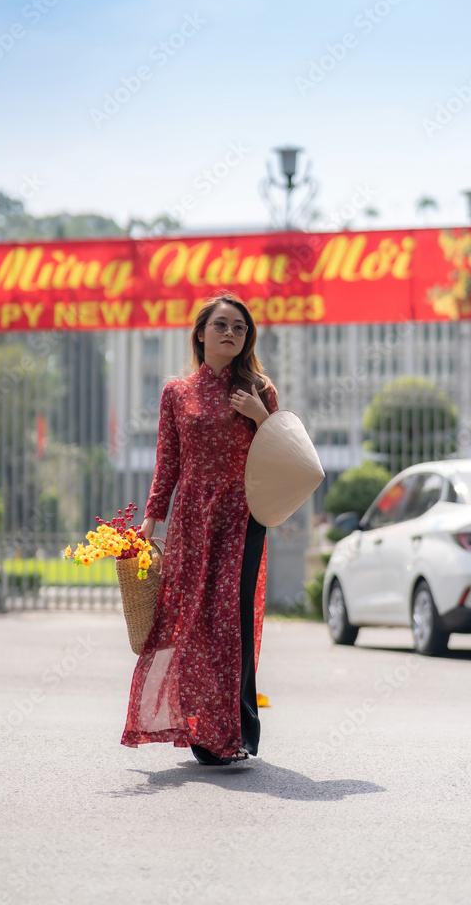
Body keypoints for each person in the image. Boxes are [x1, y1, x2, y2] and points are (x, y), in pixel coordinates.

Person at [121, 291, 279, 765]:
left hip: (242, 516)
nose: (231, 333)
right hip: (192, 518)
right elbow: (167, 462)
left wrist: (261, 417)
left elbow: (280, 452)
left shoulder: (259, 390)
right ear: (201, 333)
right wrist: (151, 520)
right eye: (222, 325)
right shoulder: (177, 392)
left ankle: (238, 729)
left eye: (240, 328)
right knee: (190, 619)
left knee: (231, 618)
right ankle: (199, 726)